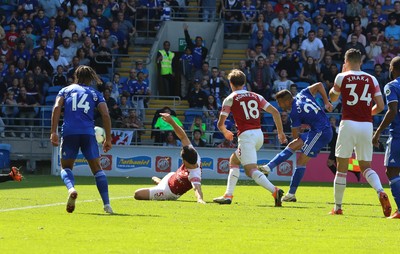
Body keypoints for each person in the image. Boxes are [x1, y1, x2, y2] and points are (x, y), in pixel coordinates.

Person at [328, 48, 391, 216]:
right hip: (366, 125)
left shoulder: (342, 76)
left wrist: (338, 82)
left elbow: (332, 98)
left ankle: (338, 207)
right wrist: (365, 112)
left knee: (342, 167)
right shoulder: (372, 78)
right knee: (365, 167)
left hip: (348, 123)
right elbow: (381, 106)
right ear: (360, 62)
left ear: (346, 62)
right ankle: (380, 191)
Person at [213, 69, 287, 206]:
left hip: (246, 136)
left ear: (230, 83)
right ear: (244, 82)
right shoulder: (256, 96)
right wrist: (280, 133)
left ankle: (275, 191)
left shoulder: (230, 98)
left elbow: (220, 123)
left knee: (251, 170)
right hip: (259, 135)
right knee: (234, 160)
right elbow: (275, 112)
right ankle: (228, 195)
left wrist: (225, 132)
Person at [50, 65, 114, 214]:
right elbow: (105, 115)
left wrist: (53, 131)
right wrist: (108, 139)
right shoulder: (95, 93)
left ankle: (71, 189)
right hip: (88, 133)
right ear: (91, 78)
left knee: (66, 167)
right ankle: (107, 205)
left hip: (70, 132)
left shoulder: (65, 90)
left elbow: (56, 107)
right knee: (97, 169)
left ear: (75, 76)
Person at [259, 82, 333, 202]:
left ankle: (291, 194)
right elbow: (319, 84)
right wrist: (326, 102)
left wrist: (301, 132)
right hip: (317, 129)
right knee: (292, 145)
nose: (279, 105)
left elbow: (295, 135)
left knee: (301, 161)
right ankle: (268, 167)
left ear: (287, 101)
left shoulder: (294, 112)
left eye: (280, 103)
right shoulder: (302, 93)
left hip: (321, 132)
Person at [134, 113, 206, 203]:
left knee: (137, 194)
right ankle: (161, 182)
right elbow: (183, 136)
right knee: (169, 174)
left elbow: (197, 189)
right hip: (171, 176)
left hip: (167, 191)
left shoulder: (195, 175)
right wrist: (171, 122)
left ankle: (159, 185)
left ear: (185, 161)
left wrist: (200, 199)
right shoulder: (193, 153)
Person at [372, 56, 400, 219]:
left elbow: (392, 110)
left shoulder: (392, 85)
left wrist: (377, 132)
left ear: (393, 69)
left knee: (391, 171)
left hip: (397, 135)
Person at [327, 116, 361, 181]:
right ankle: (355, 171)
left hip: (337, 147)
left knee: (330, 163)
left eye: (333, 120)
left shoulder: (337, 129)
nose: (331, 122)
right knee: (340, 165)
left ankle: (338, 177)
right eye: (330, 120)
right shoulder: (329, 129)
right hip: (334, 148)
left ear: (335, 121)